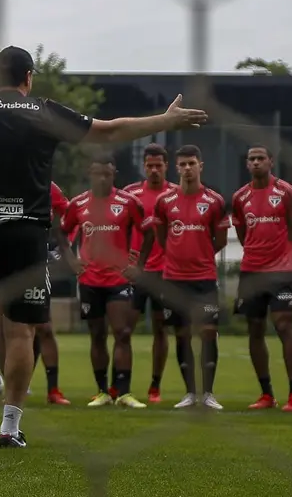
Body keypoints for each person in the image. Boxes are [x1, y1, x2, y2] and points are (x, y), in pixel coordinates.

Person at [0, 45, 207, 448]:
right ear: (29, 77)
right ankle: (9, 426)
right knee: (20, 329)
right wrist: (165, 120)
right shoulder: (45, 112)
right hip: (26, 233)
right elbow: (109, 129)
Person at [134, 145, 229, 410]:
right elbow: (162, 238)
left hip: (205, 278)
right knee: (182, 333)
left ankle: (208, 393)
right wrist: (178, 255)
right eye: (183, 164)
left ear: (201, 165)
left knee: (208, 333)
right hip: (174, 279)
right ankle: (190, 392)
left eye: (192, 163)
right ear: (176, 168)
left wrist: (198, 255)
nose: (187, 168)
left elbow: (219, 239)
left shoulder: (214, 201)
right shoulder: (165, 202)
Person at [57, 153, 149, 408]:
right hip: (89, 280)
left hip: (118, 280)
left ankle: (124, 392)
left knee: (123, 333)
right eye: (98, 173)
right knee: (97, 335)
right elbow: (63, 233)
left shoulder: (128, 202)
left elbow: (148, 231)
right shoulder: (78, 204)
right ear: (90, 173)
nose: (102, 178)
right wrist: (72, 261)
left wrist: (138, 265)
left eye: (107, 173)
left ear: (114, 174)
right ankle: (102, 392)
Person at [232, 145, 292, 412]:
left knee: (283, 326)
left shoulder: (286, 192)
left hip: (280, 272)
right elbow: (242, 233)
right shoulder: (240, 197)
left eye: (260, 158)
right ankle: (266, 394)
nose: (255, 162)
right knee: (254, 330)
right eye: (251, 159)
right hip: (251, 271)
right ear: (247, 164)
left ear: (271, 162)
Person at [0, 180, 70, 405]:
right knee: (2, 327)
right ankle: (13, 388)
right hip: (0, 262)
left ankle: (53, 390)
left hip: (35, 263)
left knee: (44, 327)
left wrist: (60, 250)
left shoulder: (49, 188)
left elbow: (68, 219)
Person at [124, 143, 176, 403]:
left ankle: (155, 387)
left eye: (159, 165)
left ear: (166, 166)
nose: (154, 170)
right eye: (150, 165)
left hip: (165, 273)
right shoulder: (130, 194)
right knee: (125, 329)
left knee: (160, 329)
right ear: (144, 166)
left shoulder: (177, 194)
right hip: (136, 273)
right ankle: (122, 387)